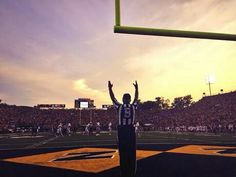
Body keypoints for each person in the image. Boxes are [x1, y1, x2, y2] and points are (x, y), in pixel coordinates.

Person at [108, 80, 138, 177]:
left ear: (123, 99)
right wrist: (137, 88)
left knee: (123, 153)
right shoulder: (133, 106)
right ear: (129, 100)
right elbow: (136, 98)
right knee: (132, 153)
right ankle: (132, 172)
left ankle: (124, 173)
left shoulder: (120, 106)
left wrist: (110, 88)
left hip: (122, 131)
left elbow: (113, 98)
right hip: (131, 130)